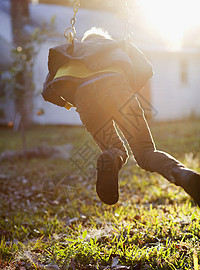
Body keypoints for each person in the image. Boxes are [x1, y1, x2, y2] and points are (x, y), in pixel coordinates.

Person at [42, 27, 200, 206]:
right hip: (118, 90)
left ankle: (112, 155)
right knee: (145, 152)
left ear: (84, 41)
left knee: (114, 149)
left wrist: (70, 104)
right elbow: (146, 69)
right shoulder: (116, 46)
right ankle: (185, 176)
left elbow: (48, 92)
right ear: (105, 39)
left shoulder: (72, 51)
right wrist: (126, 89)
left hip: (85, 99)